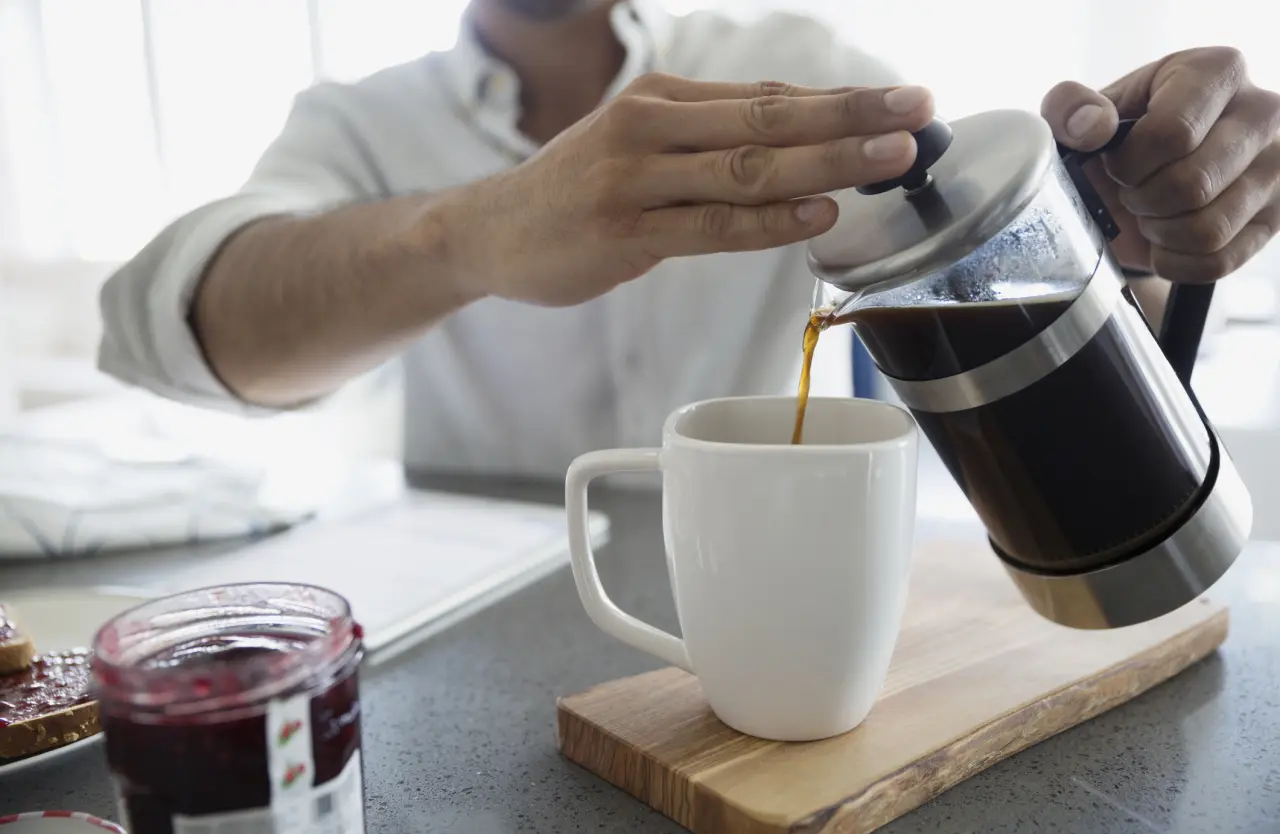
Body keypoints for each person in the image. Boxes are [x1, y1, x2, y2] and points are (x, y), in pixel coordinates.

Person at [99, 0, 1280, 479]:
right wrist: (470, 233)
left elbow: (1015, 286)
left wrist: (1121, 219)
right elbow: (175, 327)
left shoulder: (803, 73)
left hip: (782, 590)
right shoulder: (357, 122)